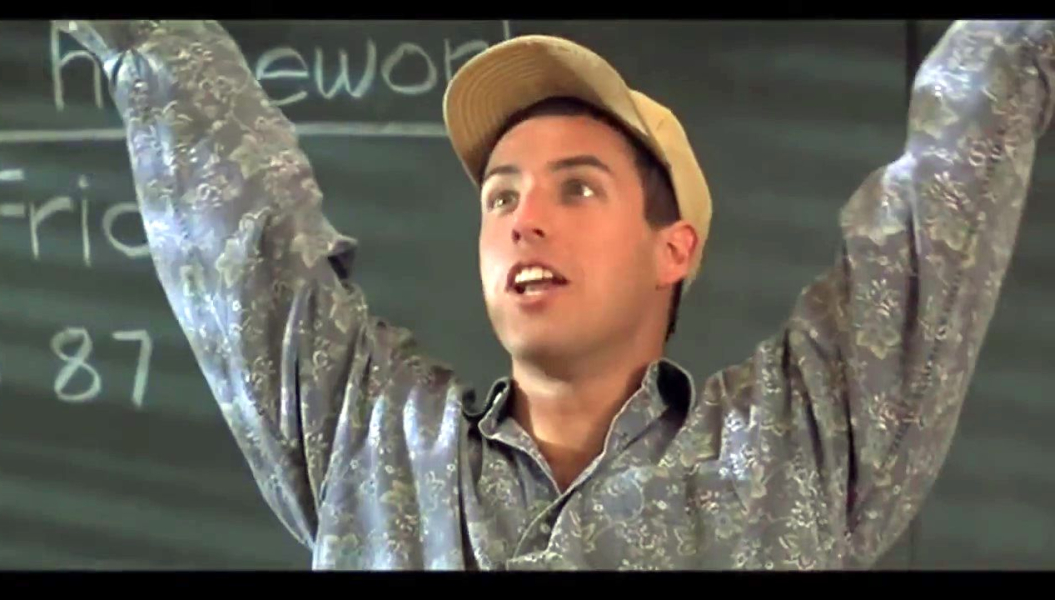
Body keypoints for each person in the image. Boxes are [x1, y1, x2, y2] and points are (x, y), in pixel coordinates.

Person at [58, 20, 1053, 570]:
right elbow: (240, 226)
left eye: (577, 188)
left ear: (673, 249)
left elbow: (949, 190)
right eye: (501, 195)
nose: (523, 220)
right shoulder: (373, 445)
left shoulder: (791, 451)